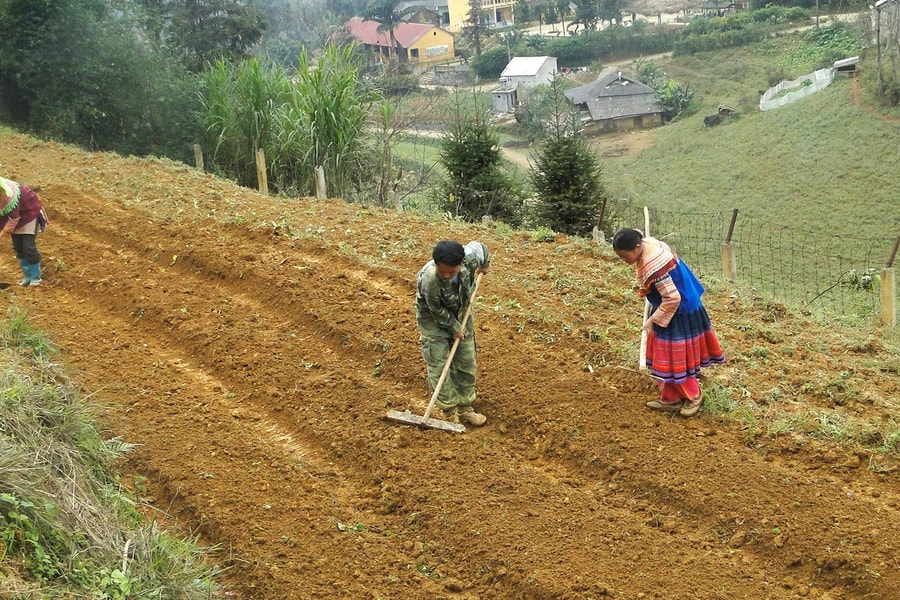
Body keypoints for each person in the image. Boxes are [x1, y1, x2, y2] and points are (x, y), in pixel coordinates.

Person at [612, 228, 725, 417]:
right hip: (680, 302)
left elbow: (672, 299)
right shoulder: (649, 243)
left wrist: (652, 321)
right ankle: (671, 397)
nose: (625, 261)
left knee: (676, 357)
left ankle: (694, 395)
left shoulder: (652, 267)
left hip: (680, 310)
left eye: (625, 257)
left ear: (638, 247)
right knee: (664, 353)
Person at [415, 240, 490, 426]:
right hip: (433, 321)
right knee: (439, 363)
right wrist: (455, 328)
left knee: (466, 360)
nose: (447, 275)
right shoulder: (429, 280)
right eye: (443, 271)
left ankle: (466, 408)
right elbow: (437, 312)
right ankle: (449, 412)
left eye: (452, 271)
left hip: (462, 312)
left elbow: (483, 249)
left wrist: (485, 266)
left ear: (462, 262)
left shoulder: (471, 255)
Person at [0, 177, 46, 287]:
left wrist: (1, 235)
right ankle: (27, 277)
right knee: (19, 248)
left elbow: (14, 218)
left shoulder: (9, 196)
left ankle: (36, 278)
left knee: (28, 247)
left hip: (28, 214)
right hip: (12, 218)